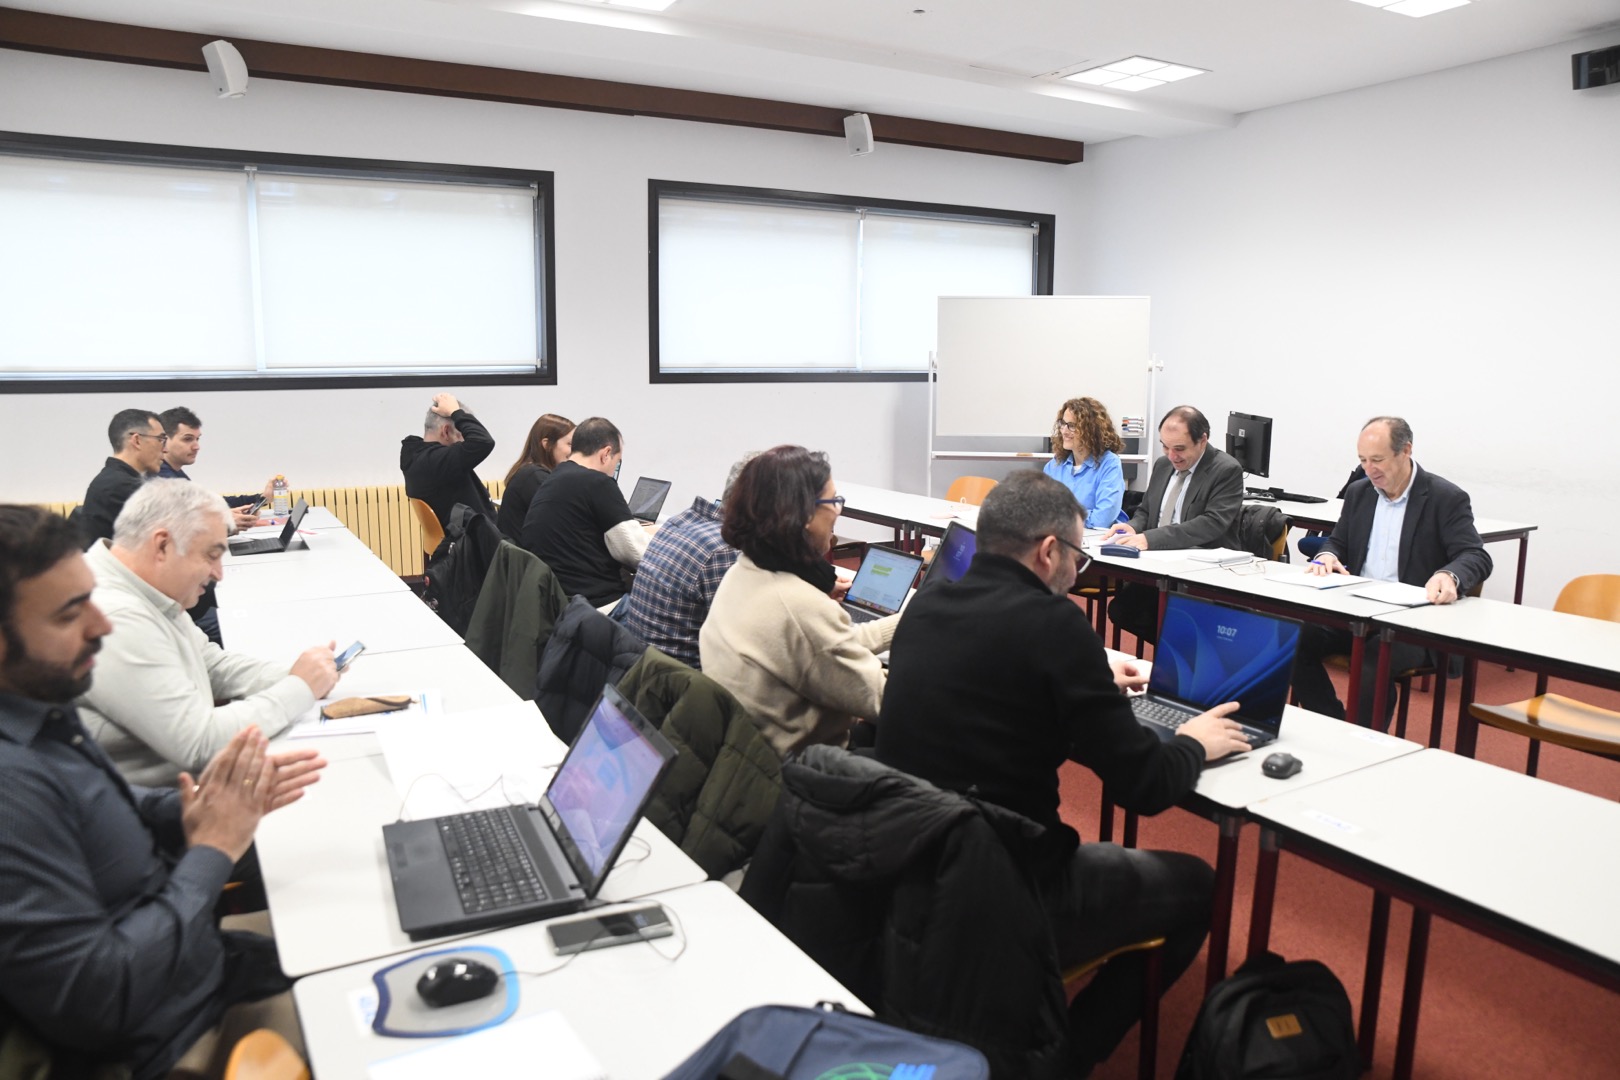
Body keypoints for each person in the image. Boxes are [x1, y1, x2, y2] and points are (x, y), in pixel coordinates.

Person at [874, 470, 1249, 1073]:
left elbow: (1001, 686)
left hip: (911, 862)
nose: (1079, 572)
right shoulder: (1056, 624)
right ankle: (1070, 1056)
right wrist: (1192, 744)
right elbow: (1144, 784)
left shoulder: (928, 606)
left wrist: (1088, 684)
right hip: (1013, 884)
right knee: (1200, 885)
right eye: (1078, 556)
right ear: (1049, 551)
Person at [0, 504, 325, 1080]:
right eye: (71, 613)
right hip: (172, 1039)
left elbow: (108, 805)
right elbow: (98, 998)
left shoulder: (39, 704)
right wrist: (212, 849)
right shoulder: (12, 789)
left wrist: (205, 805)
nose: (100, 627)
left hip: (196, 966)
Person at [75, 479, 341, 787]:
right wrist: (300, 687)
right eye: (211, 556)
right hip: (152, 805)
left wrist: (298, 674)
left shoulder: (143, 587)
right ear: (162, 546)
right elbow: (200, 743)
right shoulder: (115, 616)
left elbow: (210, 663)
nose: (218, 574)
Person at [1295, 416, 1492, 727]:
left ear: (1406, 451)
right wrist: (1327, 555)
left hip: (1413, 622)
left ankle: (1362, 741)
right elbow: (1338, 541)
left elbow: (1475, 555)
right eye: (1362, 460)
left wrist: (1449, 575)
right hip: (1357, 610)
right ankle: (1333, 724)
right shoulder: (1359, 493)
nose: (1369, 469)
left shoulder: (1445, 498)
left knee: (1374, 660)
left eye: (1377, 460)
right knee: (1290, 638)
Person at [700, 446, 896, 755]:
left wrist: (908, 621)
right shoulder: (798, 606)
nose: (838, 512)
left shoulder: (744, 571)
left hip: (748, 758)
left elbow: (829, 645)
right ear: (804, 515)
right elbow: (886, 700)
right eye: (833, 501)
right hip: (805, 772)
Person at [1103, 404, 1244, 644]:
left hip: (1201, 572)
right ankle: (1176, 652)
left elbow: (1212, 523)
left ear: (1202, 441)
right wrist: (1134, 527)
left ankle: (1182, 655)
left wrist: (1150, 538)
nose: (1171, 456)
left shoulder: (1226, 469)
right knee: (1122, 610)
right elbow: (1146, 510)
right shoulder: (1163, 465)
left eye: (1179, 448)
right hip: (1159, 564)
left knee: (1177, 624)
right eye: (1165, 446)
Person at [621, 454, 754, 669]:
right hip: (678, 680)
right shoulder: (723, 549)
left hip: (639, 669)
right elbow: (740, 645)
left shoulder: (681, 520)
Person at [520, 417, 648, 609]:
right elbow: (636, 552)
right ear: (606, 454)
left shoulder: (554, 478)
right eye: (617, 462)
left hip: (558, 602)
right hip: (597, 606)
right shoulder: (598, 482)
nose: (614, 470)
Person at [158, 405, 276, 533]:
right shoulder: (161, 478)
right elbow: (182, 530)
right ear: (163, 441)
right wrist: (223, 522)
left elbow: (211, 504)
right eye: (188, 439)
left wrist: (261, 498)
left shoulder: (174, 472)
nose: (196, 446)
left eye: (197, 439)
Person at [400, 392, 497, 529]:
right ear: (446, 431)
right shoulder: (434, 462)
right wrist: (455, 412)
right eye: (462, 436)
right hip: (476, 539)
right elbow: (483, 442)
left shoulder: (419, 457)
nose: (463, 442)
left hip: (469, 536)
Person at [78, 408, 165, 545]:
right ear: (137, 440)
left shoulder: (113, 479)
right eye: (160, 439)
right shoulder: (121, 486)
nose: (165, 449)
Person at [1043, 395, 1126, 527]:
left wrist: (1062, 517)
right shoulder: (1053, 466)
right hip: (1060, 535)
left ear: (1091, 430)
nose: (1064, 431)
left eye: (1071, 426)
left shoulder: (1109, 464)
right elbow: (1042, 514)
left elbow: (1102, 519)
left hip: (1097, 538)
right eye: (1063, 424)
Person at [497, 413, 574, 540]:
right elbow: (562, 521)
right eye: (570, 444)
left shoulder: (532, 472)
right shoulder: (534, 477)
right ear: (547, 444)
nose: (575, 451)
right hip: (524, 552)